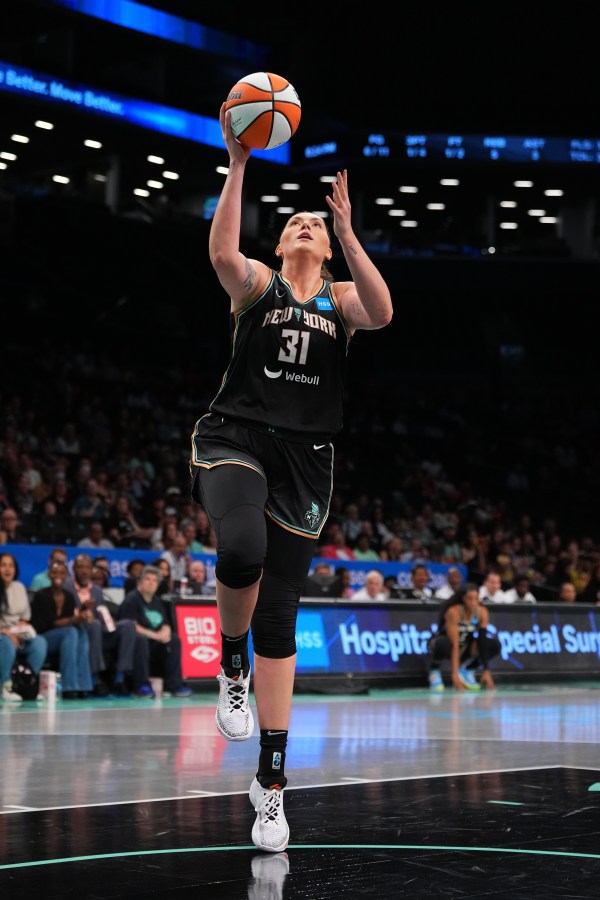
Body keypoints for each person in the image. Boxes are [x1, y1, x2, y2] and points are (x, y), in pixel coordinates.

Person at [188, 105, 392, 853]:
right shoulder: (258, 286)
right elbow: (219, 255)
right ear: (277, 241)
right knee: (240, 548)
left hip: (308, 461)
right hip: (236, 438)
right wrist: (239, 164)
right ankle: (229, 662)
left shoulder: (340, 302)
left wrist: (347, 234)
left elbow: (385, 310)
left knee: (281, 618)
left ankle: (271, 784)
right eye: (297, 220)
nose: (305, 224)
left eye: (315, 223)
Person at [64, 553, 140, 696]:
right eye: (80, 567)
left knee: (128, 625)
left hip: (99, 631)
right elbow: (63, 613)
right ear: (73, 568)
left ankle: (120, 677)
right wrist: (81, 612)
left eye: (87, 567)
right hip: (78, 631)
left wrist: (111, 625)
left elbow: (102, 612)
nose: (84, 571)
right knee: (94, 624)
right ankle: (94, 678)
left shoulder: (96, 590)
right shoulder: (67, 586)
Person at [118, 565, 192, 698]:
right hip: (136, 645)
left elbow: (165, 624)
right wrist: (155, 635)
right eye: (147, 579)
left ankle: (174, 685)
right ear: (140, 582)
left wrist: (165, 633)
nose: (151, 582)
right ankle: (141, 685)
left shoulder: (157, 602)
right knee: (140, 639)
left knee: (174, 640)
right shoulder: (132, 599)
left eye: (154, 580)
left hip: (154, 644)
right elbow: (130, 625)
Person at [30, 560, 93, 698]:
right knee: (70, 631)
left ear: (66, 576)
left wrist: (82, 615)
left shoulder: (69, 596)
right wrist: (74, 620)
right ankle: (69, 686)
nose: (58, 575)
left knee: (81, 631)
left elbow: (70, 619)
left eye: (62, 573)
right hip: (43, 638)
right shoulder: (42, 595)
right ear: (49, 575)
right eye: (55, 572)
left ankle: (83, 685)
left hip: (63, 636)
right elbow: (48, 624)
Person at [427, 582, 501, 692]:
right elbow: (455, 643)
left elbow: (482, 640)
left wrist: (486, 670)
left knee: (494, 645)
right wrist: (455, 675)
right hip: (445, 645)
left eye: (476, 599)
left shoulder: (482, 612)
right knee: (443, 644)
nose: (473, 602)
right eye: (469, 599)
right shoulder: (454, 611)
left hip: (465, 646)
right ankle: (434, 670)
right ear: (463, 599)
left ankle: (468, 670)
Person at [0, 552, 48, 702]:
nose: (7, 569)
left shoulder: (19, 587)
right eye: (3, 565)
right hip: (2, 634)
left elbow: (25, 616)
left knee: (39, 643)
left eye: (11, 566)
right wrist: (6, 632)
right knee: (6, 643)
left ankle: (27, 684)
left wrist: (21, 626)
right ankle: (5, 686)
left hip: (16, 633)